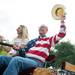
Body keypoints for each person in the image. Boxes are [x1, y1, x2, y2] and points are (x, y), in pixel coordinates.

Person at [0, 16, 66, 75]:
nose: (42, 28)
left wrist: (62, 21)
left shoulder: (49, 40)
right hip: (25, 59)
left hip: (36, 62)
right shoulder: (33, 41)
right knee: (1, 58)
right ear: (38, 30)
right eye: (40, 27)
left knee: (17, 60)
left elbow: (61, 34)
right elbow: (23, 51)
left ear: (46, 31)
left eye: (44, 28)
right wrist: (17, 48)